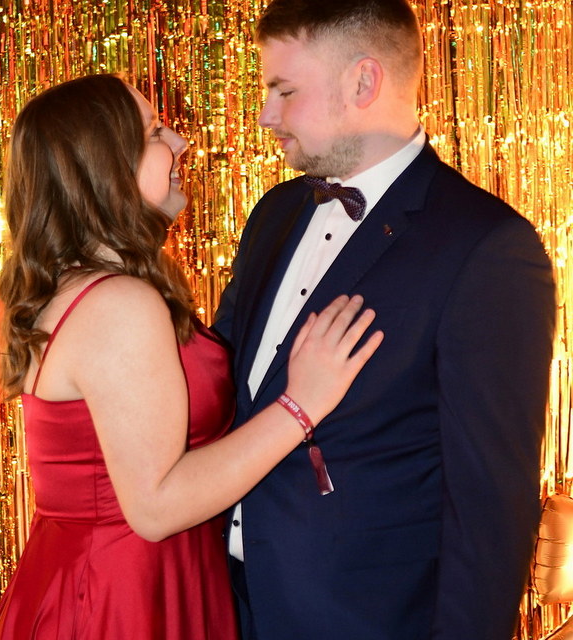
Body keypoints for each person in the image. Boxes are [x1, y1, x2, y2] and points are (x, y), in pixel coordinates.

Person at [0, 74, 382, 640]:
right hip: (125, 599)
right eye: (153, 133)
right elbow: (155, 508)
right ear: (103, 166)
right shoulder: (118, 303)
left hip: (104, 580)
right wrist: (301, 405)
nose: (180, 143)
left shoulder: (85, 288)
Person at [212, 1, 556, 639]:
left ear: (363, 82)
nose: (265, 115)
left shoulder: (487, 248)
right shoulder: (275, 213)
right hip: (227, 610)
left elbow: (490, 511)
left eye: (284, 91)